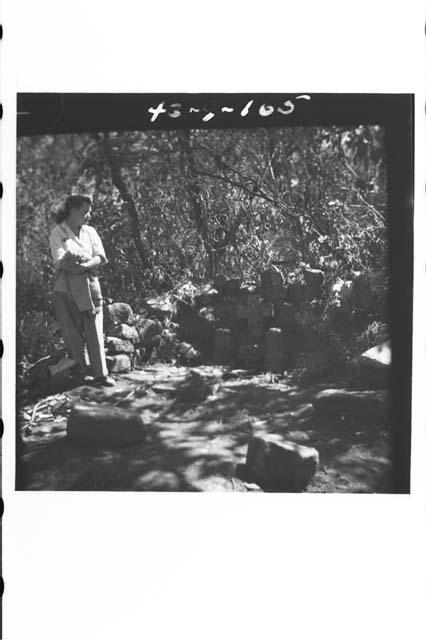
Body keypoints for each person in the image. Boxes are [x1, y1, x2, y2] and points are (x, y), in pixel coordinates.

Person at [49, 194, 115, 387]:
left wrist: (85, 265)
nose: (88, 215)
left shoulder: (90, 232)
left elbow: (101, 257)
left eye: (89, 212)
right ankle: (80, 372)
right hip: (65, 289)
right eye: (84, 212)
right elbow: (60, 261)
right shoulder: (57, 232)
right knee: (72, 332)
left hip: (89, 284)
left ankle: (101, 375)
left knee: (94, 328)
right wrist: (79, 263)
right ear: (72, 211)